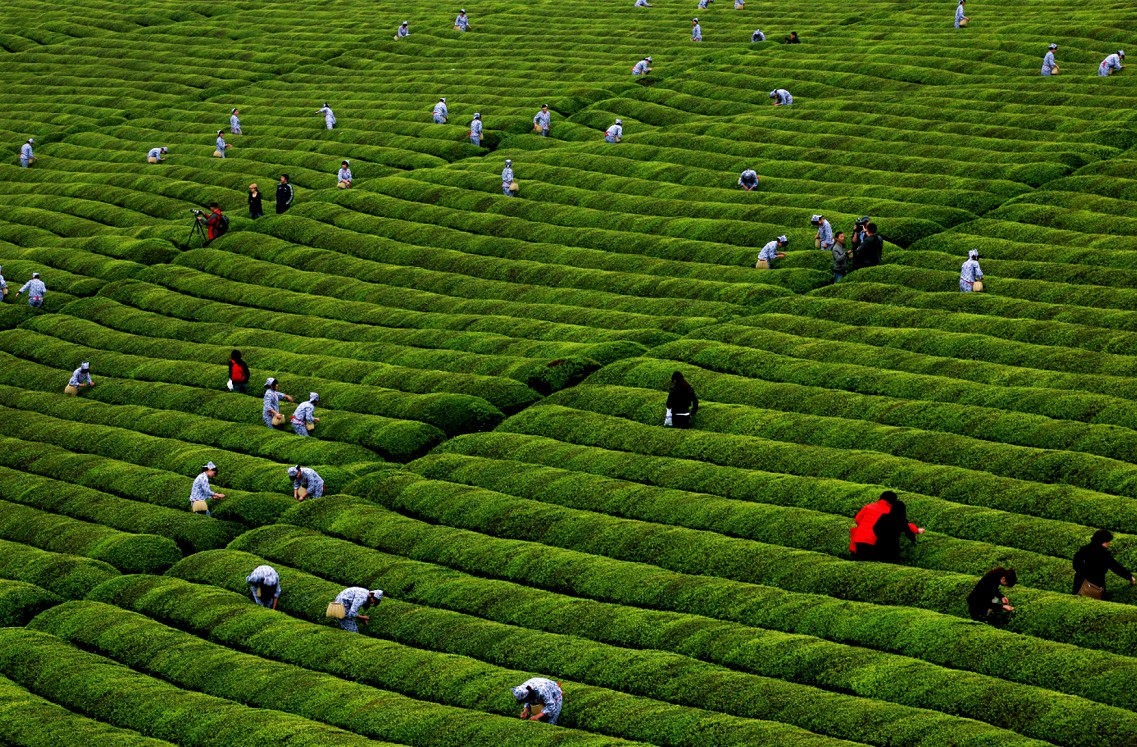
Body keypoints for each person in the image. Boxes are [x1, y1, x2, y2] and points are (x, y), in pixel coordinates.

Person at [849, 490, 924, 562]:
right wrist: (916, 529)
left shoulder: (869, 507)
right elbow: (902, 524)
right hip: (876, 543)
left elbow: (857, 520)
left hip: (859, 541)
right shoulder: (891, 512)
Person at [1072, 529, 1135, 598]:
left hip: (1079, 584)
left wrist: (1084, 572)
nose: (1109, 543)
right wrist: (1130, 577)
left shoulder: (1083, 549)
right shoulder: (1104, 554)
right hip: (1095, 587)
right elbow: (1116, 567)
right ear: (1104, 541)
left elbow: (1075, 564)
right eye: (1109, 541)